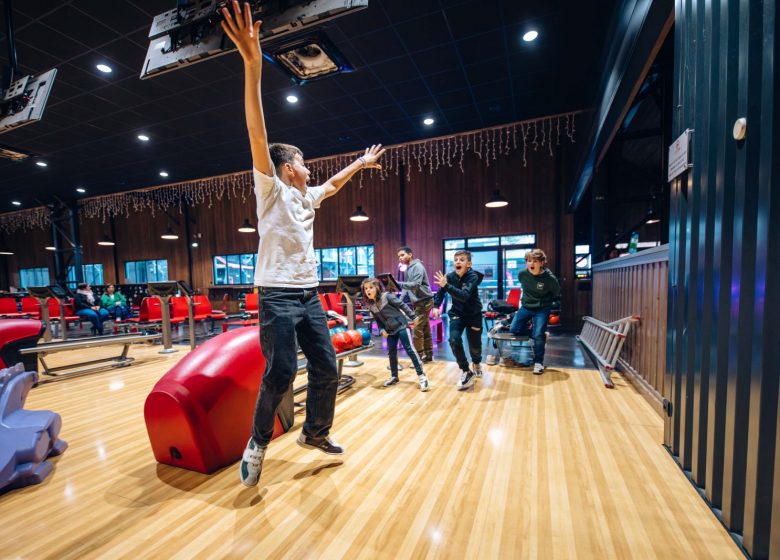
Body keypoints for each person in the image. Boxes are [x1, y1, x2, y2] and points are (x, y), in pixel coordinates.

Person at [220, 2, 386, 488]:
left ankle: (315, 433)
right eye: (304, 161)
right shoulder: (271, 189)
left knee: (327, 365)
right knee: (280, 373)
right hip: (275, 294)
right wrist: (253, 67)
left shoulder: (305, 195)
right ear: (287, 166)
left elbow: (330, 186)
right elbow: (257, 132)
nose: (309, 166)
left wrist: (358, 164)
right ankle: (257, 442)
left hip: (308, 294)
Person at [361, 278, 429, 392]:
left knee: (410, 350)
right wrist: (382, 330)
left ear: (377, 288)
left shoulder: (386, 296)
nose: (368, 290)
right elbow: (378, 320)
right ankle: (394, 376)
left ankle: (422, 376)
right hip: (390, 330)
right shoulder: (371, 305)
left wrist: (413, 316)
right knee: (391, 353)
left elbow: (402, 305)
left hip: (401, 326)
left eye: (371, 287)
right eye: (366, 288)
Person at [432, 250, 484, 390]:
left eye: (461, 260)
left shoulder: (472, 276)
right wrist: (436, 306)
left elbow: (464, 296)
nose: (458, 262)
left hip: (474, 314)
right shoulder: (449, 276)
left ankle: (477, 363)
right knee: (454, 340)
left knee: (475, 346)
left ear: (469, 264)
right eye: (456, 260)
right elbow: (441, 292)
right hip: (457, 314)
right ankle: (466, 371)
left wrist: (446, 285)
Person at [509, 249, 561, 374]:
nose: (531, 263)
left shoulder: (550, 279)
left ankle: (538, 363)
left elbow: (556, 292)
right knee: (514, 329)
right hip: (526, 306)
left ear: (542, 263)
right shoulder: (522, 274)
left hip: (542, 309)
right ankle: (539, 334)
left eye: (535, 261)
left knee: (538, 335)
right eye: (528, 261)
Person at [396, 246, 434, 362]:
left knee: (417, 329)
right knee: (425, 329)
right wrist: (399, 301)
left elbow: (416, 284)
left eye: (402, 255)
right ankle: (428, 354)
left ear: (410, 254)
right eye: (399, 256)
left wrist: (398, 283)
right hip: (419, 302)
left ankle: (418, 356)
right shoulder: (408, 268)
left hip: (424, 301)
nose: (400, 258)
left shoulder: (417, 266)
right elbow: (407, 288)